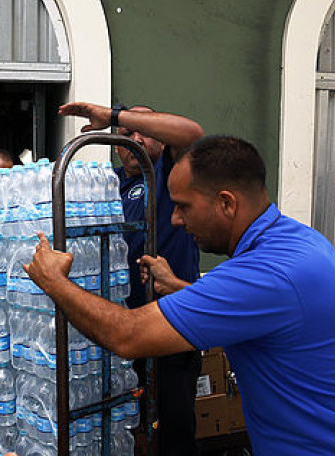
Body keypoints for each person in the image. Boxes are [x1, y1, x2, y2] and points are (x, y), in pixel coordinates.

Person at [25, 129, 335, 454]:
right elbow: (253, 310)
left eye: (183, 206)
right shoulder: (294, 242)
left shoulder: (269, 272)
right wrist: (178, 287)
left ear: (227, 203)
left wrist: (55, 282)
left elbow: (127, 335)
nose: (175, 220)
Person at [106, 103, 203, 456]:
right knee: (126, 427)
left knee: (174, 427)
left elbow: (191, 133)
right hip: (124, 327)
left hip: (172, 323)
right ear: (116, 147)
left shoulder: (169, 172)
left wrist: (119, 117)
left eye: (144, 129)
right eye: (127, 135)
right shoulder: (110, 184)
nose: (136, 138)